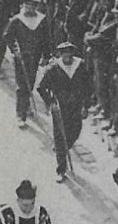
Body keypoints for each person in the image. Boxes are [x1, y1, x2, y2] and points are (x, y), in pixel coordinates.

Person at [37, 39, 91, 182]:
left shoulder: (80, 66)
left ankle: (63, 148)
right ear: (60, 54)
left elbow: (88, 87)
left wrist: (86, 106)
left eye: (69, 52)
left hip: (76, 105)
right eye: (64, 53)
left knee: (75, 131)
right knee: (60, 137)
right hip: (60, 107)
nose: (67, 55)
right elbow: (41, 87)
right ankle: (61, 169)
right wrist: (50, 103)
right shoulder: (53, 68)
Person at [4, 0, 53, 128]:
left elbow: (46, 39)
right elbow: (7, 36)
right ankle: (21, 114)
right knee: (21, 85)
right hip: (22, 57)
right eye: (26, 5)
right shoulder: (17, 20)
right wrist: (15, 50)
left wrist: (46, 56)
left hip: (35, 57)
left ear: (35, 7)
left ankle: (26, 105)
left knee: (30, 82)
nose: (28, 8)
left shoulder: (41, 20)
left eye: (31, 6)